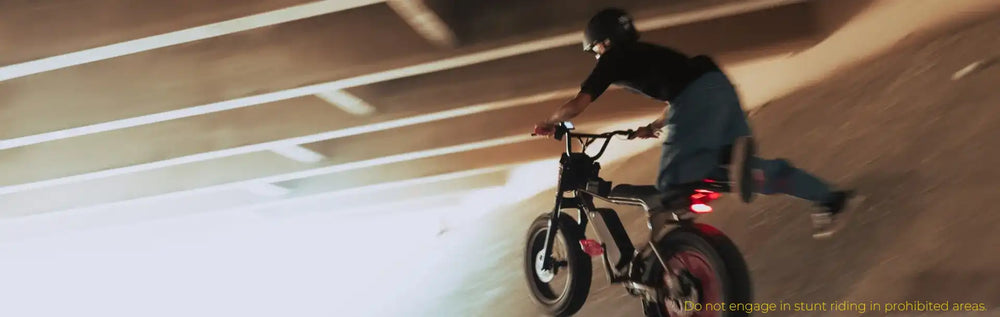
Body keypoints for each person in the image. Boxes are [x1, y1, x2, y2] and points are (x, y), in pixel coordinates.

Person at [532, 8, 862, 239]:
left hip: (694, 100)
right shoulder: (645, 52)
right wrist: (654, 125)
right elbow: (680, 91)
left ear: (603, 43)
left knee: (671, 185)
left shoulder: (613, 59)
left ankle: (687, 238)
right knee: (731, 176)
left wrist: (548, 122)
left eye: (595, 50)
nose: (597, 56)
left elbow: (578, 104)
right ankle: (830, 198)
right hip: (718, 90)